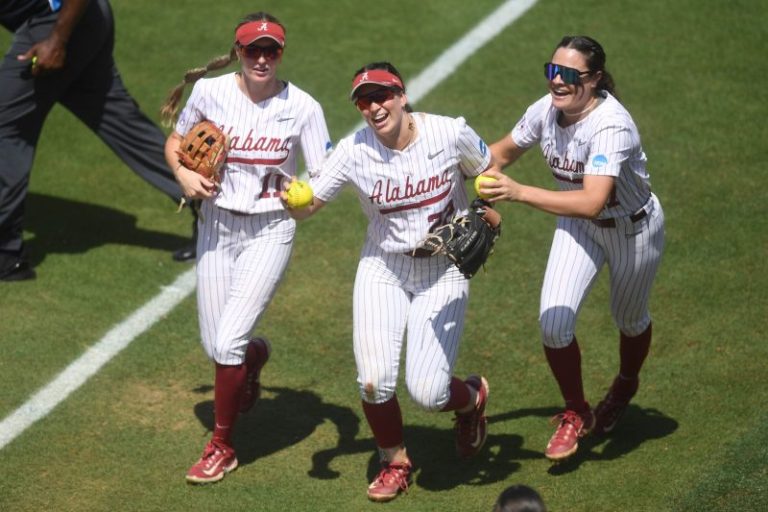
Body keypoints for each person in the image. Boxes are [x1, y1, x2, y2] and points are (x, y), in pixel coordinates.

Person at [287, 62, 491, 502]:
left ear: (401, 96)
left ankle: (471, 400)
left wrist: (488, 213)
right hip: (384, 267)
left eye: (381, 95)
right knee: (373, 381)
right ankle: (394, 461)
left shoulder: (448, 132)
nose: (374, 107)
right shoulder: (353, 151)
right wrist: (289, 199)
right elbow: (309, 204)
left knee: (429, 392)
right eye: (364, 100)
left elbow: (488, 172)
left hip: (443, 269)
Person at [160, 12, 332, 484]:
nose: (262, 59)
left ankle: (222, 446)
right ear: (238, 51)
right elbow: (176, 142)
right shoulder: (209, 92)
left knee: (227, 342)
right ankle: (253, 358)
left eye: (270, 50)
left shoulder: (303, 107)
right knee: (216, 345)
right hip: (216, 227)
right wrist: (183, 174)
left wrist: (305, 202)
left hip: (270, 230)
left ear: (281, 53)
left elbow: (323, 177)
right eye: (253, 50)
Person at [481, 35, 665, 461]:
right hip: (577, 227)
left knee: (629, 319)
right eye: (552, 70)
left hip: (632, 230)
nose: (557, 81)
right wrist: (450, 181)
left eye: (568, 74)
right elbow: (500, 153)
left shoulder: (611, 126)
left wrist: (518, 192)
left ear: (595, 78)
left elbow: (592, 200)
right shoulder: (545, 110)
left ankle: (625, 384)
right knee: (553, 324)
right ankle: (576, 411)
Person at [0, 0, 196, 283]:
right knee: (122, 125)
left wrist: (57, 40)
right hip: (83, 19)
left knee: (6, 126)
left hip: (60, 21)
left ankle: (6, 253)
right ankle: (212, 207)